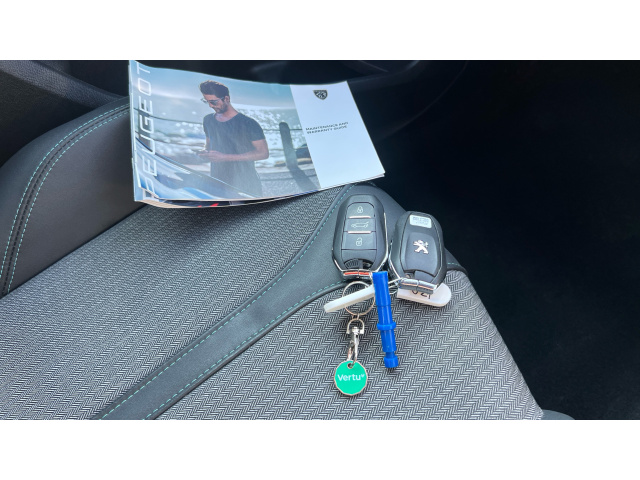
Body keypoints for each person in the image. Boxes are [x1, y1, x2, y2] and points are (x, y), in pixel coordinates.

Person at [196, 80, 269, 197]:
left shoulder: (249, 123)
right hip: (217, 182)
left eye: (213, 102)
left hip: (245, 184)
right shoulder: (208, 120)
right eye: (207, 101)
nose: (210, 106)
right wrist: (204, 153)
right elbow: (209, 145)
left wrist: (224, 157)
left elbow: (263, 153)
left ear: (226, 99)